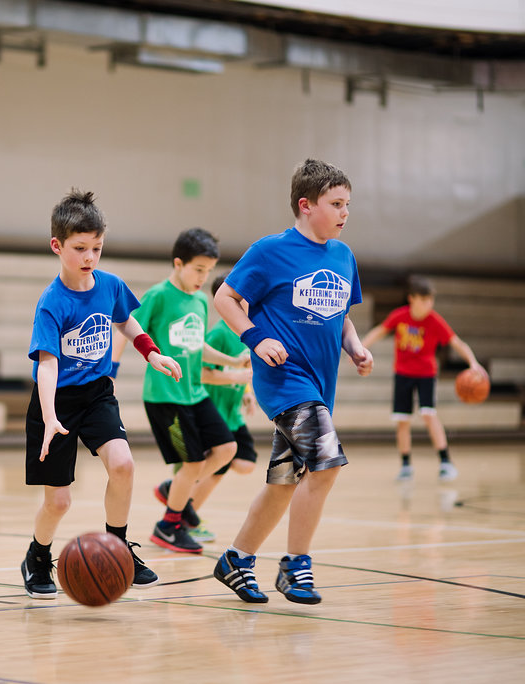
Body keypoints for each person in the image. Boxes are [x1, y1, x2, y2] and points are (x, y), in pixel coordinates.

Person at [211, 159, 373, 605]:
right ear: (306, 205)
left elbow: (342, 317)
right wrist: (256, 337)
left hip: (320, 386)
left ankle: (236, 561)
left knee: (285, 480)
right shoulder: (270, 251)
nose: (344, 212)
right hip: (284, 381)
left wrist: (355, 347)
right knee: (326, 463)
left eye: (347, 204)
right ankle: (296, 565)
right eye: (336, 203)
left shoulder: (343, 256)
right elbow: (224, 296)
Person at [21, 188, 182, 599]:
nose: (89, 257)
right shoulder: (51, 303)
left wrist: (152, 354)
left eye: (96, 247)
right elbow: (48, 364)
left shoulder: (109, 285)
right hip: (54, 401)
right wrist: (50, 415)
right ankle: (37, 556)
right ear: (57, 246)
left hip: (95, 394)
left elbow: (126, 321)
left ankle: (119, 547)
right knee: (59, 503)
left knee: (124, 465)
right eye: (80, 248)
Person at [113, 228, 250, 555]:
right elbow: (126, 327)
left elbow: (196, 345)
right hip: (165, 396)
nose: (204, 277)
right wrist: (112, 370)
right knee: (191, 464)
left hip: (194, 393)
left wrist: (232, 360)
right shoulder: (159, 295)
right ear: (178, 263)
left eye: (208, 270)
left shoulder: (201, 301)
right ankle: (169, 526)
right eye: (198, 270)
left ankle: (171, 491)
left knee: (226, 449)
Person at [153, 272, 260, 544]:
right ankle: (185, 517)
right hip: (212, 409)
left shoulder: (246, 334)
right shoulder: (219, 333)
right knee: (214, 468)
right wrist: (235, 377)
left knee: (243, 463)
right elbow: (200, 372)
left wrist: (246, 392)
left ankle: (175, 492)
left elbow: (242, 370)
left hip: (232, 414)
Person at [361, 275, 484, 483]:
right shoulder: (400, 316)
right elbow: (380, 331)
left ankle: (446, 462)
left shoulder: (434, 321)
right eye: (424, 299)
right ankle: (406, 465)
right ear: (412, 298)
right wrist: (361, 348)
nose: (428, 304)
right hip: (403, 374)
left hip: (426, 374)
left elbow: (458, 343)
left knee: (429, 415)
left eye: (431, 300)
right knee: (403, 420)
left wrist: (473, 363)